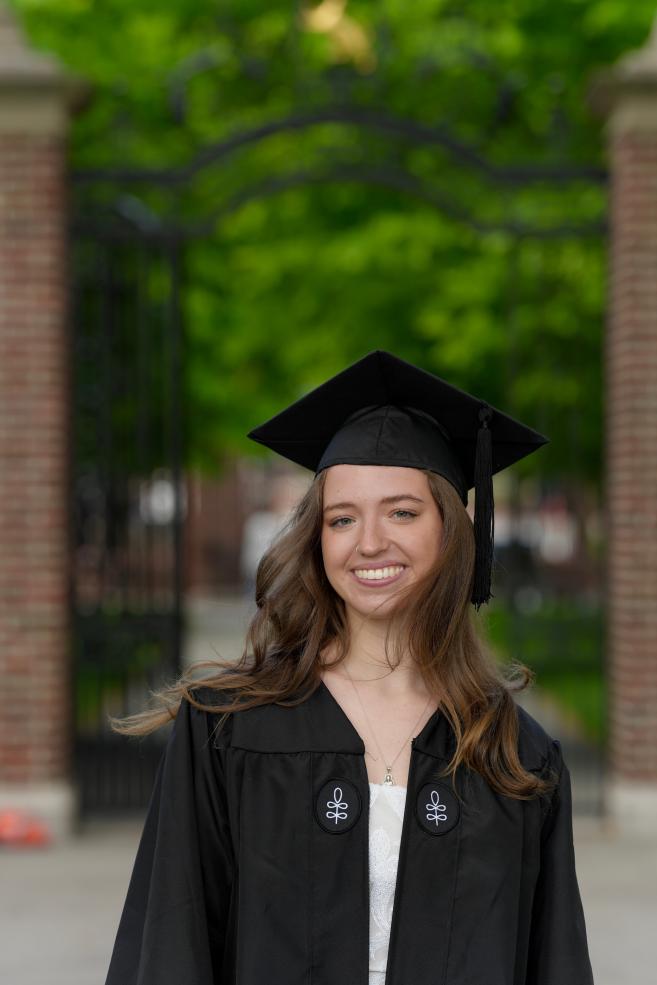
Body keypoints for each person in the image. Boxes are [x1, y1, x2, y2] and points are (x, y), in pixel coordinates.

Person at [104, 350, 594, 985]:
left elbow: (552, 962)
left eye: (402, 512)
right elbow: (169, 945)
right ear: (318, 539)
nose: (368, 543)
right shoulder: (228, 732)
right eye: (342, 519)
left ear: (451, 531)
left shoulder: (514, 756)